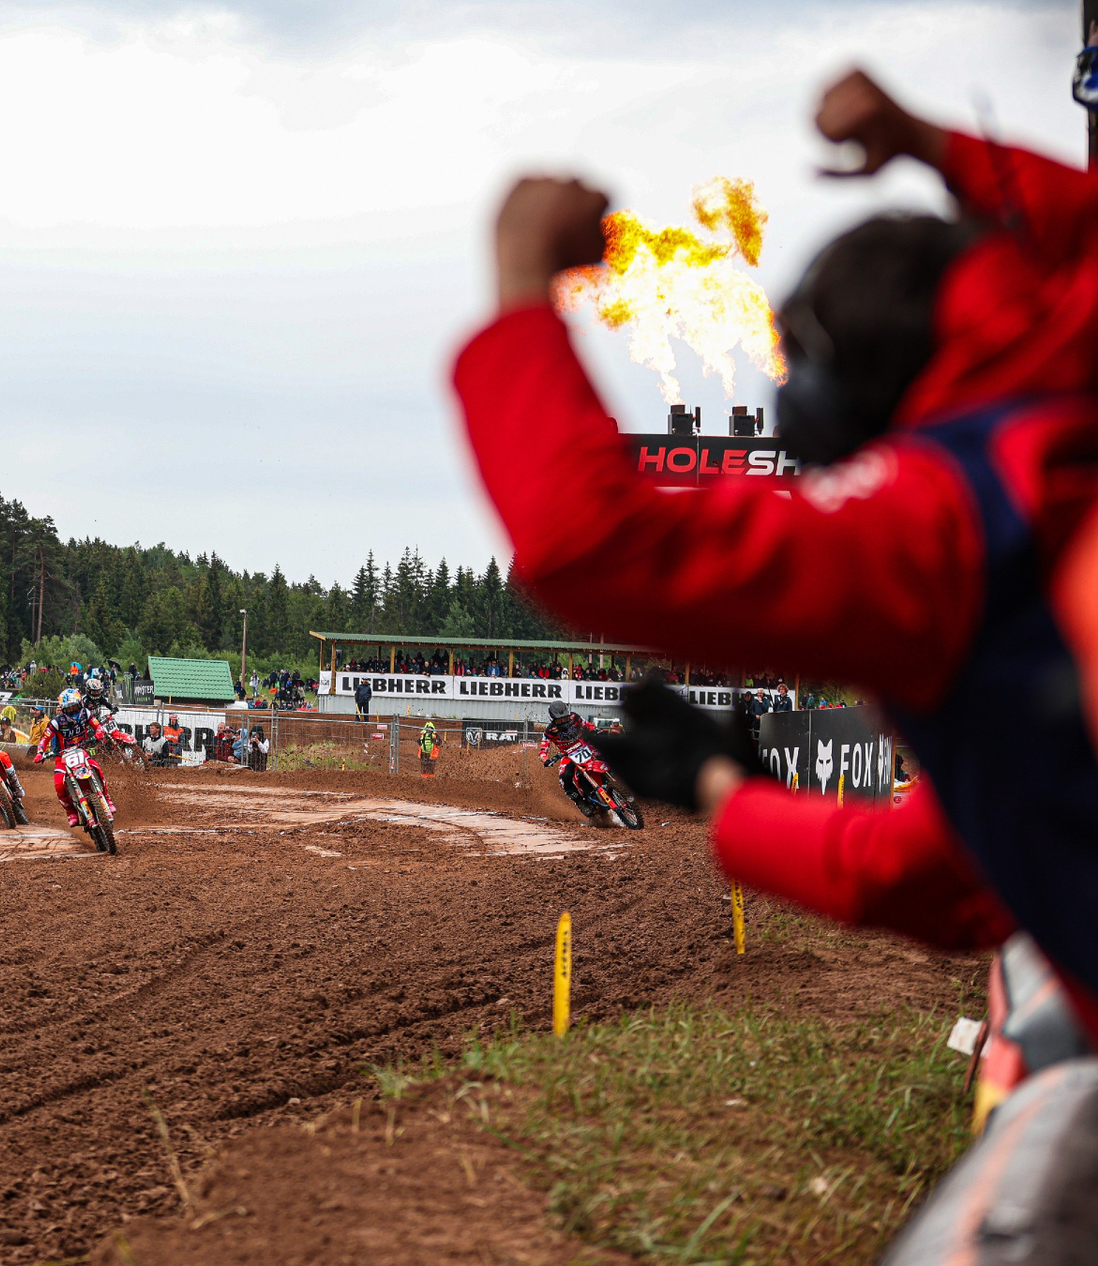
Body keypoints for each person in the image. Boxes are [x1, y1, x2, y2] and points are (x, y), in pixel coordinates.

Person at [457, 72, 1098, 1044]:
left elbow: (594, 539)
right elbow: (934, 871)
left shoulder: (953, 513)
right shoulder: (1064, 394)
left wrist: (521, 282)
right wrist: (936, 143)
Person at [31, 689, 112, 828]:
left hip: (82, 751)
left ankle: (107, 799)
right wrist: (40, 752)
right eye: (68, 708)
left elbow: (98, 726)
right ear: (63, 709)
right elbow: (44, 738)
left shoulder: (86, 713)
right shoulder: (56, 722)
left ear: (80, 704)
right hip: (62, 757)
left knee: (96, 768)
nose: (72, 710)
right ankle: (71, 812)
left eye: (74, 706)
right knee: (59, 784)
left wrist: (99, 733)